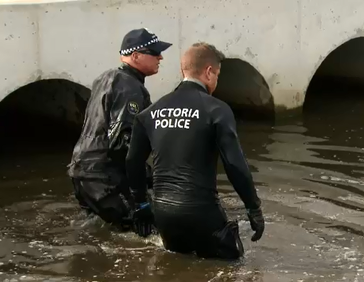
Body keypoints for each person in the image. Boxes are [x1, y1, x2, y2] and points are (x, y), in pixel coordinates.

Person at [125, 42, 265, 260]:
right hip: (202, 212)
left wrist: (142, 205)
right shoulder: (216, 110)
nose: (216, 82)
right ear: (209, 72)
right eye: (217, 75)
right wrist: (253, 207)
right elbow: (235, 165)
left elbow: (133, 161)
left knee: (176, 266)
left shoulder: (149, 113)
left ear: (183, 71)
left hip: (163, 214)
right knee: (233, 269)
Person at [67, 28, 172, 232]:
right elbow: (122, 144)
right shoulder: (129, 88)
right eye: (155, 52)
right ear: (136, 56)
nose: (160, 57)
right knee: (147, 231)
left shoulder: (106, 78)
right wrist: (140, 197)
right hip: (104, 177)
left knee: (99, 232)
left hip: (81, 170)